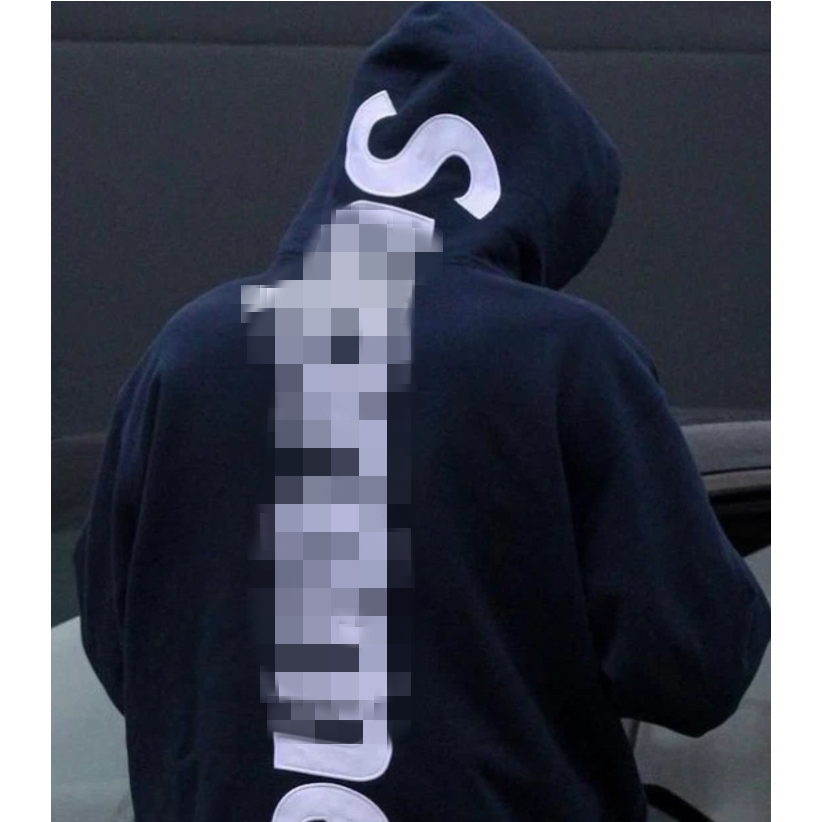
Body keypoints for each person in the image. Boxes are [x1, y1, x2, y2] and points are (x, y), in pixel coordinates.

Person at [74, 3, 770, 821]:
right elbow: (696, 661)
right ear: (541, 188)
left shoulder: (187, 352)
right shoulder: (563, 358)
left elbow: (123, 645)